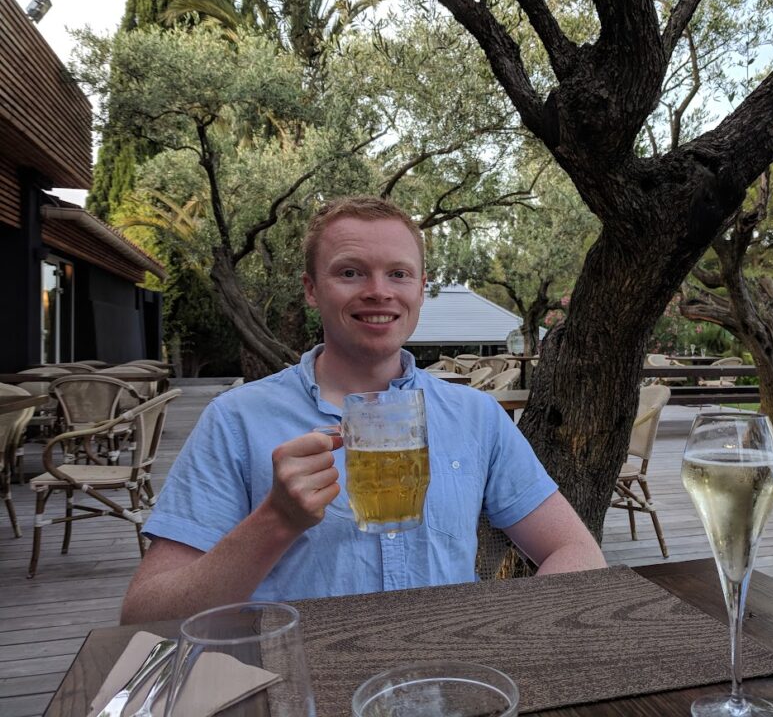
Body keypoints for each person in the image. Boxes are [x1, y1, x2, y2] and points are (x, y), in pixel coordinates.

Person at [121, 195, 606, 623]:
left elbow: (575, 549)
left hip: (446, 682)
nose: (379, 290)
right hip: (302, 688)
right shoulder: (237, 419)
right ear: (312, 289)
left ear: (421, 289)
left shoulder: (476, 416)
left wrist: (506, 631)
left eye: (399, 273)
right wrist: (275, 521)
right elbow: (146, 614)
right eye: (350, 272)